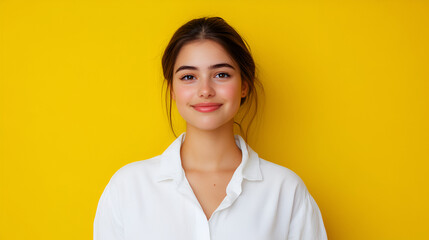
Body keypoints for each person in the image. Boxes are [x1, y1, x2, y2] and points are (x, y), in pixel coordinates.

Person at [94, 17, 327, 240]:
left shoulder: (285, 190)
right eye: (188, 77)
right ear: (172, 90)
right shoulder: (127, 188)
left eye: (221, 74)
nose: (205, 90)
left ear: (244, 86)